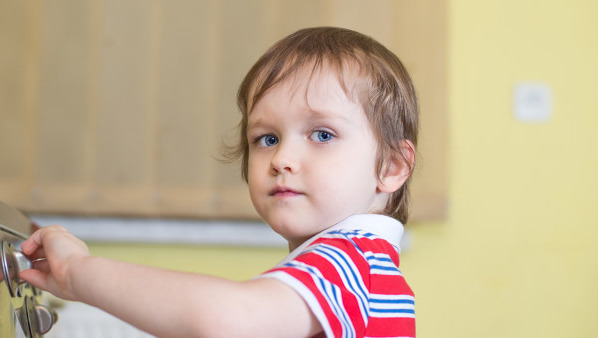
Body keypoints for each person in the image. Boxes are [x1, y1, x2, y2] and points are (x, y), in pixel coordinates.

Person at [20, 26, 418, 337]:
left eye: (323, 135)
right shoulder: (355, 265)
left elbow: (225, 321)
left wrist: (77, 271)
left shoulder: (352, 263)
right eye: (268, 138)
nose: (281, 159)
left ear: (392, 168)